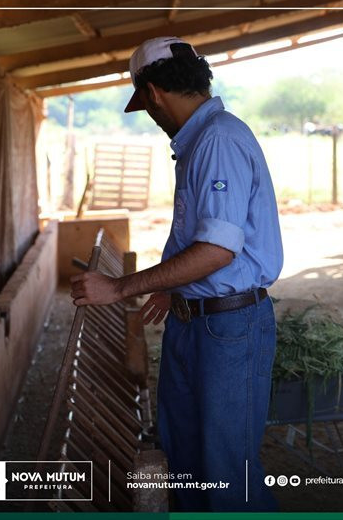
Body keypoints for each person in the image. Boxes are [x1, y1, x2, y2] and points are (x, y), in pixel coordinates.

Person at [70, 36, 282, 511]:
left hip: (227, 328)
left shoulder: (219, 140)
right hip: (197, 321)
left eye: (144, 104)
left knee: (227, 472)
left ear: (152, 95)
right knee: (185, 458)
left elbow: (217, 251)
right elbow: (200, 239)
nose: (149, 113)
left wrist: (120, 286)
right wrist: (172, 285)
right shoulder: (198, 143)